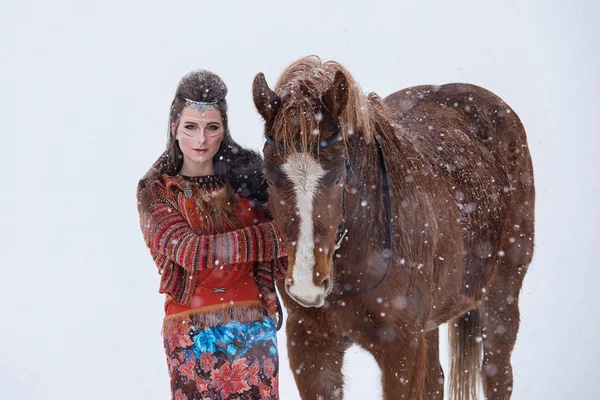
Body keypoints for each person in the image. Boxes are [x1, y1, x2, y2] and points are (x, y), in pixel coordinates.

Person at [136, 69, 287, 399]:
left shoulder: (248, 179)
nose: (201, 140)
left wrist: (265, 281)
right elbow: (190, 251)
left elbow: (284, 243)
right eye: (190, 127)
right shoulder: (156, 191)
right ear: (174, 127)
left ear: (224, 130)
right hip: (191, 335)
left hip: (254, 328)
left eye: (212, 127)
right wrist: (272, 236)